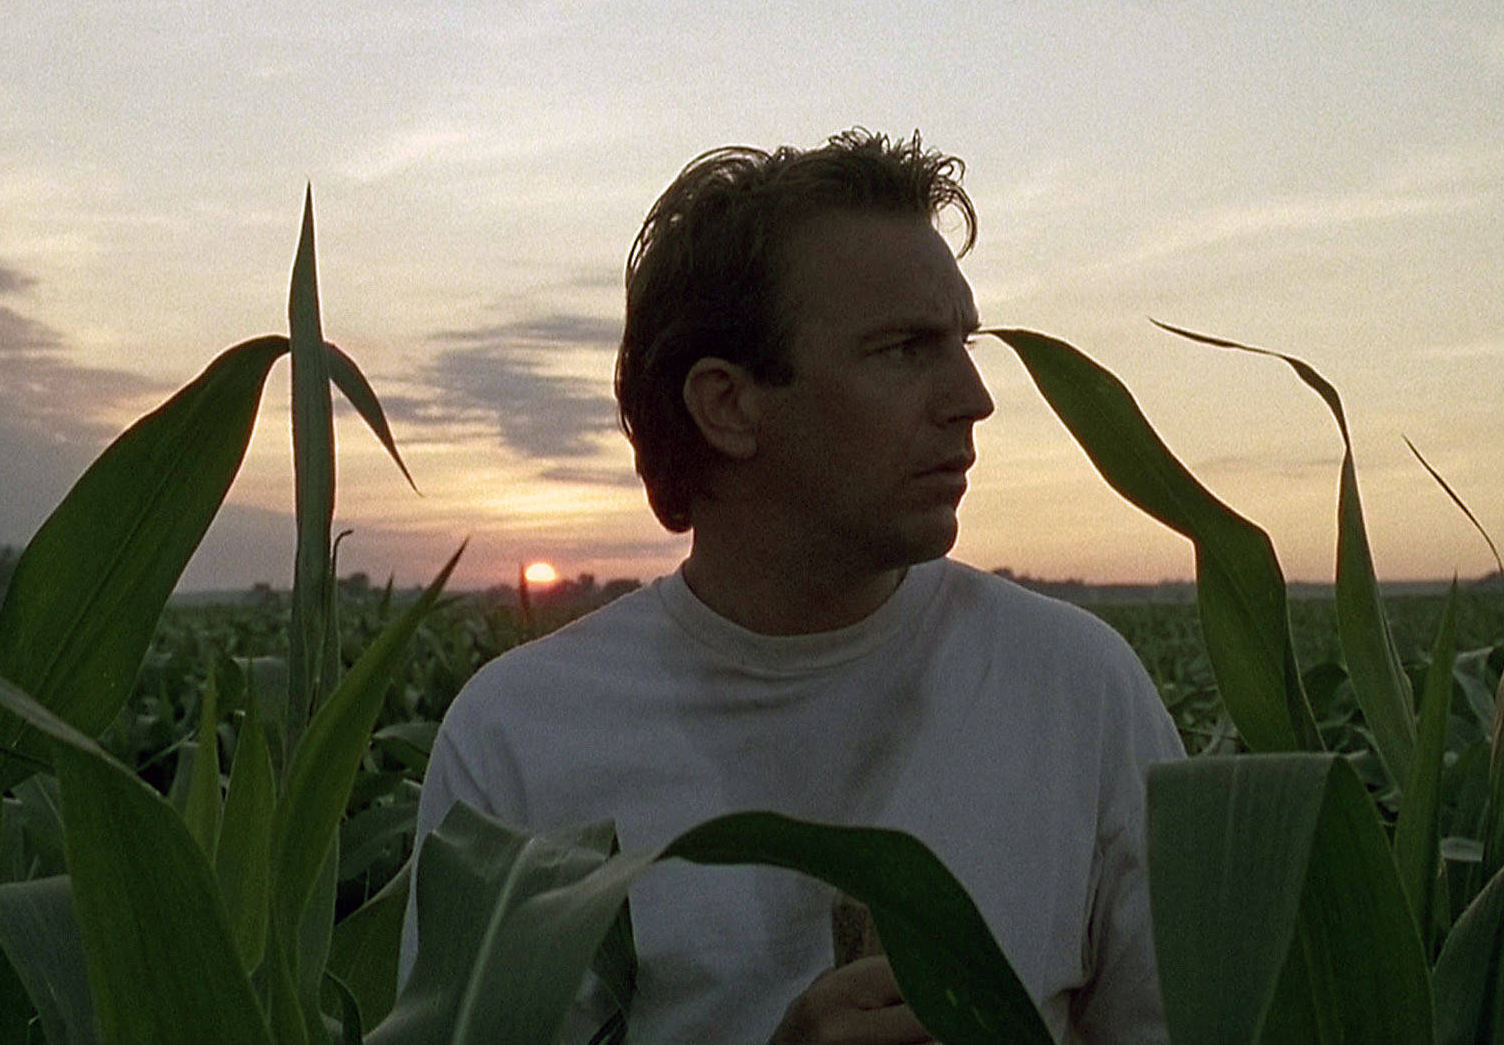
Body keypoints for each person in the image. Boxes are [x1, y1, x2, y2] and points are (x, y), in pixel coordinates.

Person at [401, 129, 1186, 1043]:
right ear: (728, 404)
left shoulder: (1076, 688)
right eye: (904, 349)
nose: (973, 398)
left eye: (963, 342)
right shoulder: (521, 738)